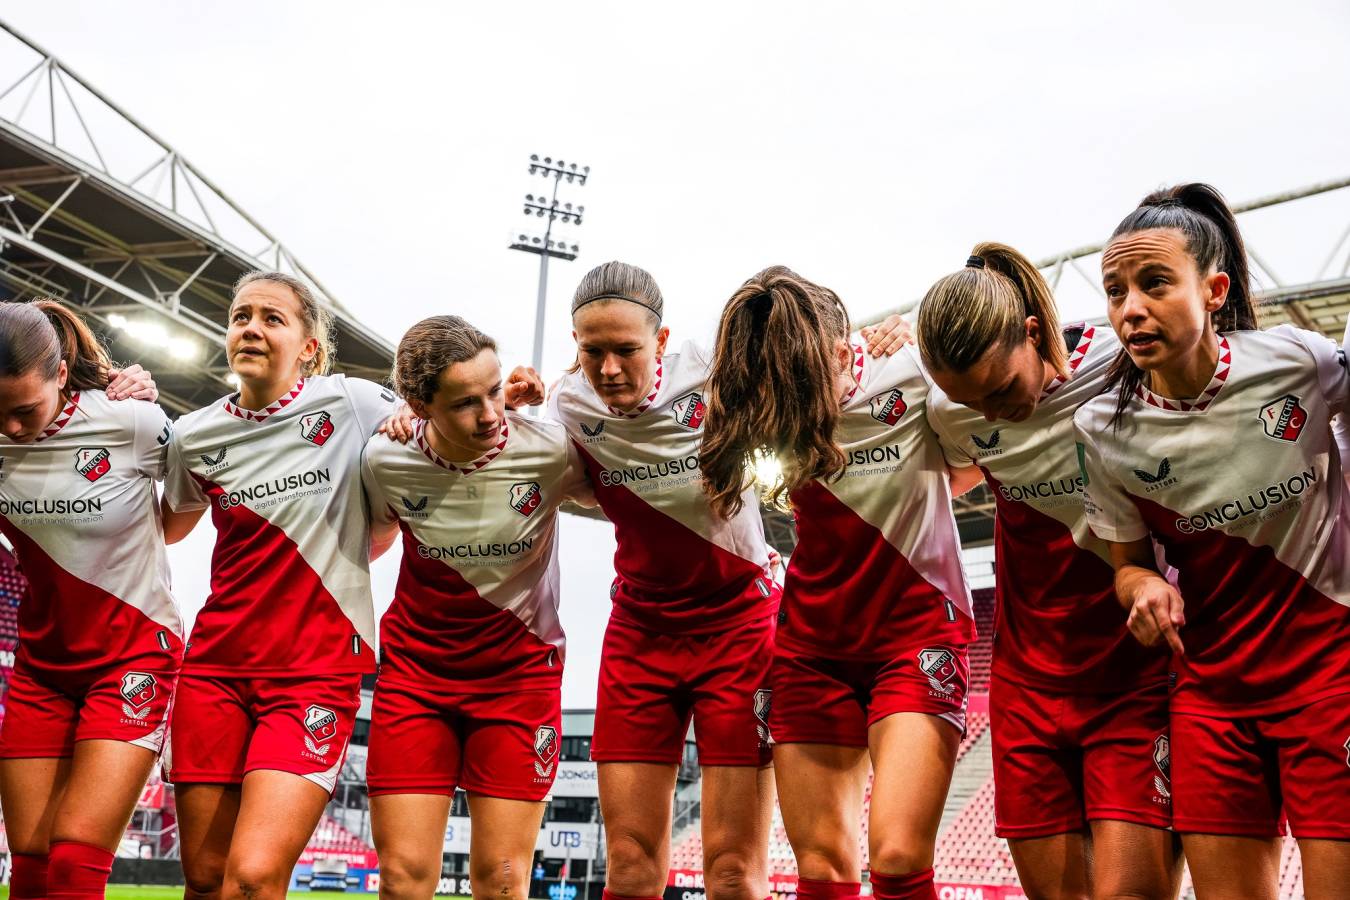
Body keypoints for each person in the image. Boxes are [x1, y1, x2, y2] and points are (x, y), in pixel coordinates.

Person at [1073, 183, 1350, 900]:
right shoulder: (1105, 429)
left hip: (1333, 678)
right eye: (1115, 291)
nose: (1130, 309)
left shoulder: (1300, 364)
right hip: (1213, 697)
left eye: (1154, 284)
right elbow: (1129, 565)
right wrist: (1145, 590)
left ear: (1215, 289)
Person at [700, 266, 978, 900]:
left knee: (899, 857)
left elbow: (972, 464)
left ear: (836, 351)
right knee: (822, 868)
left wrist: (920, 347)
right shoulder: (764, 407)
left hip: (917, 640)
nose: (784, 400)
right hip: (810, 651)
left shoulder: (910, 376)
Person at [917, 245, 1180, 899]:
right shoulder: (956, 412)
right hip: (1025, 686)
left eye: (1002, 389)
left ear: (1033, 332)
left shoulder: (1119, 366)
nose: (993, 413)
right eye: (971, 402)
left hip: (1134, 677)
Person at [159, 271, 401, 899]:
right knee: (205, 879)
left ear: (309, 347)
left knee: (254, 876)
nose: (251, 328)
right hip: (215, 668)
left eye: (273, 318)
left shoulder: (353, 404)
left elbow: (437, 435)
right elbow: (163, 529)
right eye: (241, 316)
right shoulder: (193, 435)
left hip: (313, 674)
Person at [361, 315, 592, 900]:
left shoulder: (549, 452)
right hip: (417, 679)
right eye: (466, 402)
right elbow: (373, 540)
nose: (490, 414)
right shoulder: (385, 460)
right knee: (405, 879)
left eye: (494, 391)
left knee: (503, 881)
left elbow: (633, 482)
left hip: (518, 681)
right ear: (419, 403)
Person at [0, 300, 176, 900]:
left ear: (58, 372)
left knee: (75, 860)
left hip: (132, 658)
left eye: (24, 410)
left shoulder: (131, 422)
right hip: (41, 667)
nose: (12, 429)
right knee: (29, 867)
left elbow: (177, 519)